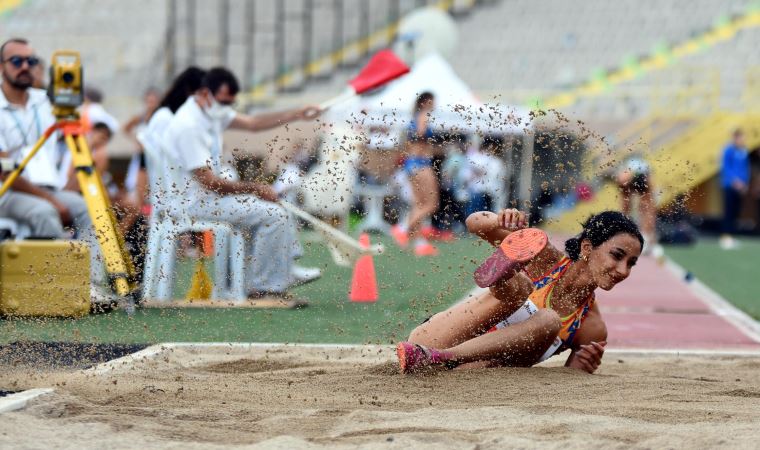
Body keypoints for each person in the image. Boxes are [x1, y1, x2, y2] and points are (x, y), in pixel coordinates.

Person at [396, 208, 643, 374]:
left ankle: (445, 356)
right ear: (587, 248)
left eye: (631, 263)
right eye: (618, 256)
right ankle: (505, 280)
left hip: (472, 372)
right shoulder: (544, 256)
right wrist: (500, 220)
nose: (623, 270)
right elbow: (474, 223)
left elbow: (569, 383)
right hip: (430, 342)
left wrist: (587, 368)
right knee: (523, 289)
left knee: (548, 319)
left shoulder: (592, 328)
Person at [162, 67, 322, 302]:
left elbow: (254, 123)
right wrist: (255, 188)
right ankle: (265, 288)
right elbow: (208, 182)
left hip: (210, 199)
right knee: (273, 215)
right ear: (205, 93)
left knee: (276, 209)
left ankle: (277, 270)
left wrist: (297, 113)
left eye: (231, 102)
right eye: (224, 101)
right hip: (192, 204)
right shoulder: (189, 125)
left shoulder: (211, 110)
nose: (228, 107)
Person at [0, 38, 108, 295]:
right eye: (17, 61)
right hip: (8, 191)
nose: (25, 66)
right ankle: (58, 288)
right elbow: (5, 171)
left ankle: (90, 286)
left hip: (47, 187)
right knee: (45, 213)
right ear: (2, 66)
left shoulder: (47, 102)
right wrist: (51, 200)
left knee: (91, 209)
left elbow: (79, 137)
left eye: (31, 61)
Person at [390, 92, 440, 256]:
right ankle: (402, 228)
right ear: (426, 102)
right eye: (432, 101)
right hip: (421, 164)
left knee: (418, 204)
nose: (434, 104)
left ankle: (420, 244)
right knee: (431, 204)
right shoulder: (424, 116)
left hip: (411, 164)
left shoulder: (414, 117)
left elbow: (411, 140)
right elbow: (420, 135)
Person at [616, 154, 656, 253]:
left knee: (631, 207)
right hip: (636, 175)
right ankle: (644, 238)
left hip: (633, 175)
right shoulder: (634, 171)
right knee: (646, 209)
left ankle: (624, 234)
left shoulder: (625, 173)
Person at [719, 129, 749, 250]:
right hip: (729, 185)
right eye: (741, 138)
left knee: (736, 211)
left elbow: (745, 168)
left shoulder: (743, 151)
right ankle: (725, 237)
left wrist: (744, 183)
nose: (743, 140)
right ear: (735, 138)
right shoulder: (728, 150)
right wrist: (735, 181)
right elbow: (726, 167)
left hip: (740, 186)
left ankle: (732, 235)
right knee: (728, 211)